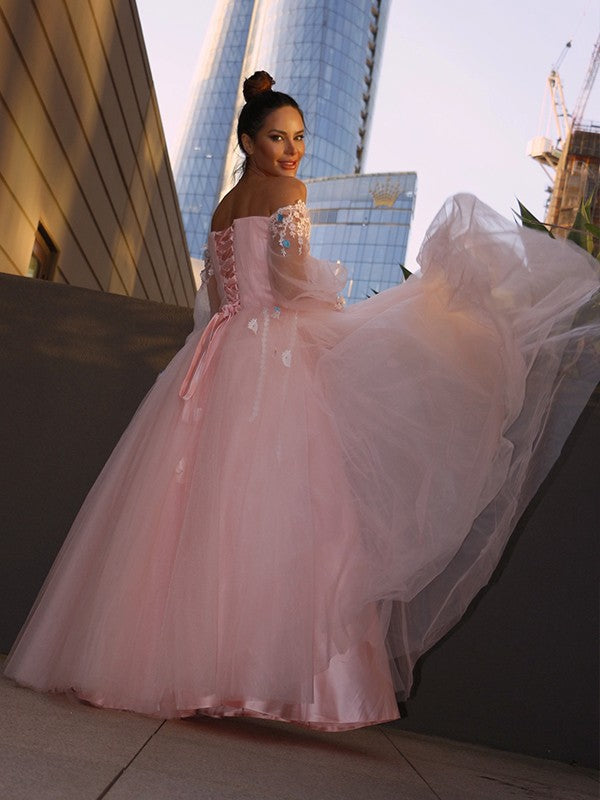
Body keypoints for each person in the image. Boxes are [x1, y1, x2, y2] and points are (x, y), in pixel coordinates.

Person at [4, 71, 599, 731]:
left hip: (218, 352)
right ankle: (242, 678)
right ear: (250, 141)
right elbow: (289, 281)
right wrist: (330, 303)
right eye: (278, 137)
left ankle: (160, 668)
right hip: (270, 358)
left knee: (190, 510)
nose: (291, 151)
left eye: (299, 138)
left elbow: (213, 293)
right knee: (278, 508)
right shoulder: (288, 193)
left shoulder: (227, 205)